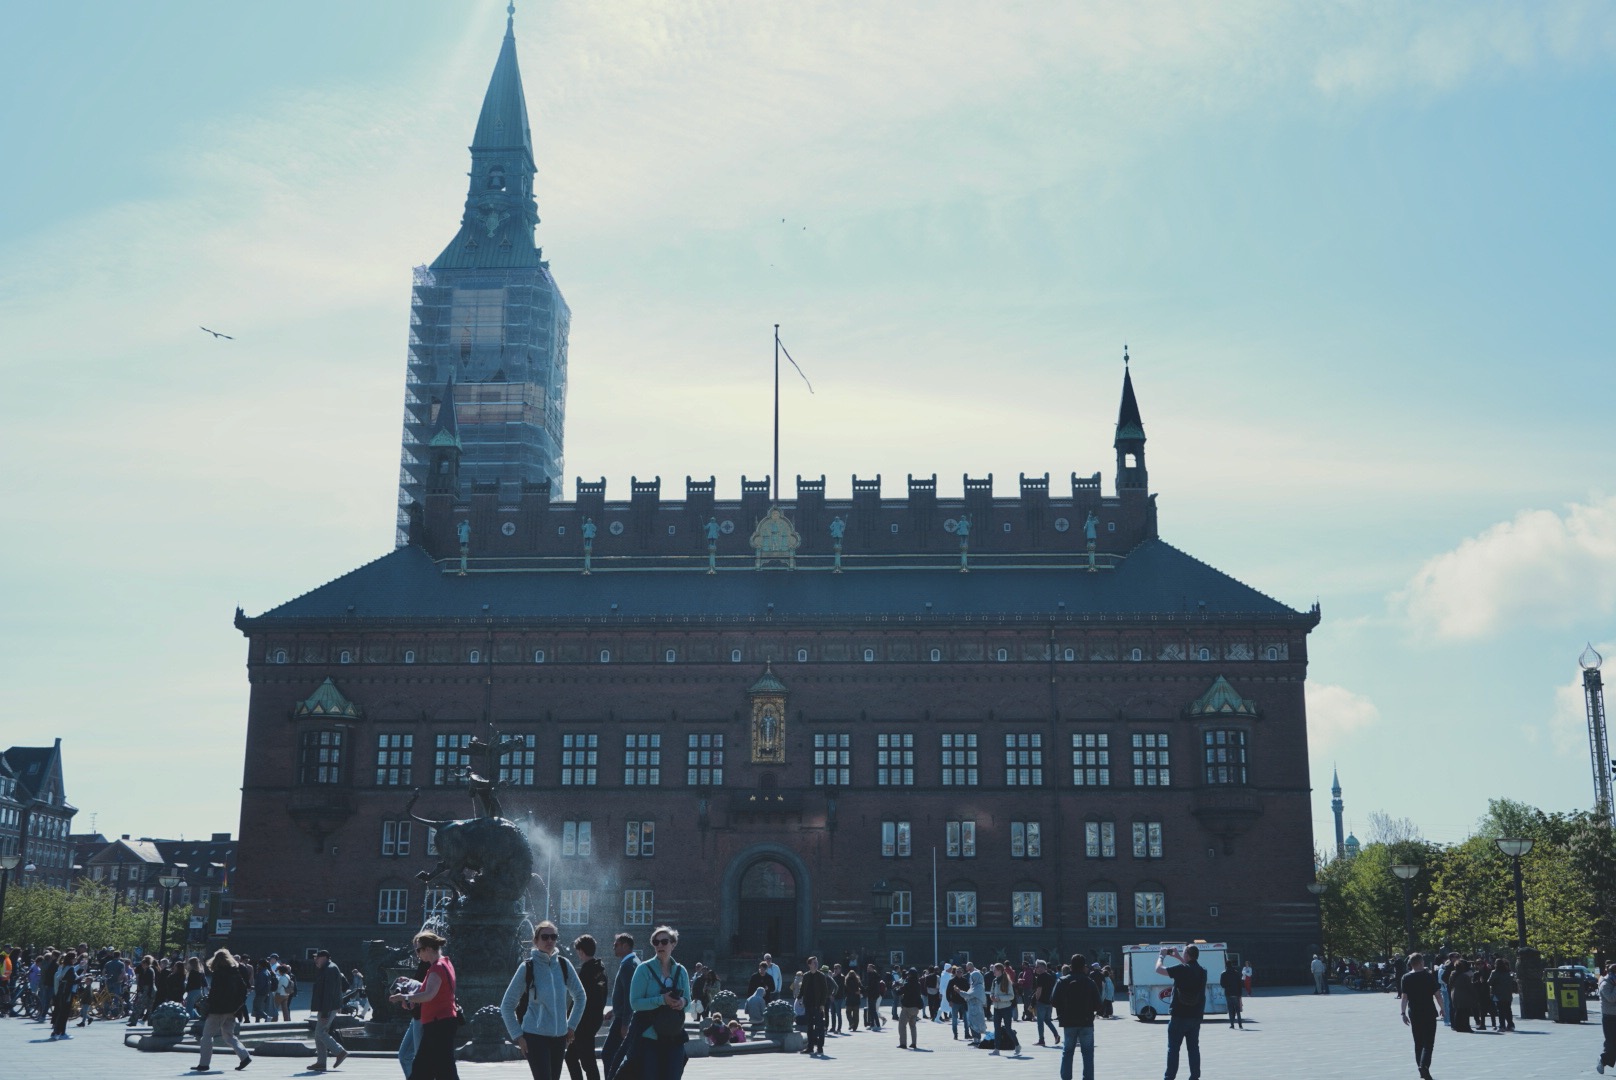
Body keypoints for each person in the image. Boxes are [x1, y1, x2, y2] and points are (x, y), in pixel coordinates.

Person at [500, 921, 586, 1080]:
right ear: (536, 940)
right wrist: (518, 1035)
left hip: (560, 1037)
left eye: (553, 937)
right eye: (545, 937)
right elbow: (507, 1005)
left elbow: (580, 996)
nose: (550, 941)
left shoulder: (563, 965)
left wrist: (571, 1026)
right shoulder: (528, 967)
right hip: (535, 1036)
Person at [622, 925, 689, 1080]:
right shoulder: (643, 969)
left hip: (674, 1036)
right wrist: (661, 1000)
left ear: (673, 944)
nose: (659, 945)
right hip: (650, 1037)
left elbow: (689, 1003)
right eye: (656, 942)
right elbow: (635, 1003)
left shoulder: (681, 971)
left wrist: (682, 1002)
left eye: (664, 941)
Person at [390, 931, 458, 1080]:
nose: (417, 954)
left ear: (428, 948)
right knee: (442, 1069)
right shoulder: (445, 963)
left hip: (438, 1024)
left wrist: (405, 997)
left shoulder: (436, 968)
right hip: (442, 1022)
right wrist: (411, 985)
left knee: (426, 1069)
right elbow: (434, 991)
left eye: (418, 950)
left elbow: (429, 995)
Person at [193, 948, 253, 1073]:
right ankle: (244, 1056)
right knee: (229, 1036)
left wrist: (208, 1005)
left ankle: (204, 1064)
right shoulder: (235, 972)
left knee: (207, 1036)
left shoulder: (218, 974)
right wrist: (237, 1006)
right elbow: (243, 990)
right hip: (231, 1010)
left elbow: (214, 993)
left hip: (217, 1010)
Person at [1156, 945, 1207, 1080]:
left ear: (1188, 955)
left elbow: (1158, 969)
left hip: (1179, 1016)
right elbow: (1190, 969)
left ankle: (1169, 1077)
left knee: (1173, 1050)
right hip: (1195, 1016)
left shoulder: (1182, 970)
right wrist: (1178, 957)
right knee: (1193, 1049)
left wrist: (1162, 956)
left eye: (1184, 953)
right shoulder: (1202, 971)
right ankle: (1195, 1077)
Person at [566, 935, 609, 1080]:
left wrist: (569, 1019)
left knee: (585, 1060)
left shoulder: (586, 972)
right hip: (593, 1020)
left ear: (581, 951)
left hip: (583, 1022)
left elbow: (579, 999)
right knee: (575, 1057)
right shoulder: (601, 971)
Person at [1053, 953, 1100, 1080]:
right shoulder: (1090, 982)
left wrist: (1063, 1009)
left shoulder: (1062, 981)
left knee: (1067, 1052)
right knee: (1088, 1054)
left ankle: (1066, 1077)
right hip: (1086, 1022)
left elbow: (1054, 1001)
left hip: (1068, 1022)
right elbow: (1098, 1004)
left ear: (1071, 965)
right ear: (1084, 966)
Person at [1399, 952, 1443, 1080]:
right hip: (1428, 1011)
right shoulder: (1428, 976)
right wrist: (1443, 1008)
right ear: (1421, 962)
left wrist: (1403, 1013)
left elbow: (1404, 997)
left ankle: (1420, 1068)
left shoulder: (1405, 977)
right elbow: (1437, 994)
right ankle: (1424, 1066)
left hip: (1414, 1012)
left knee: (1418, 1042)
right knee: (1428, 1042)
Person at [601, 934, 639, 1074]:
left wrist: (625, 1023)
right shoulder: (632, 962)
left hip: (623, 1019)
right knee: (617, 1055)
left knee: (608, 1054)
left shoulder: (628, 966)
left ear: (625, 946)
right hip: (622, 1015)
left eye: (616, 945)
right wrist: (614, 1010)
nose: (613, 947)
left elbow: (630, 996)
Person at [309, 949, 349, 1071]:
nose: (315, 960)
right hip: (327, 1006)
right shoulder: (327, 968)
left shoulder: (330, 969)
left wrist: (325, 1012)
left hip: (328, 1007)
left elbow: (329, 993)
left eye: (317, 958)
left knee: (321, 1033)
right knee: (318, 1034)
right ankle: (321, 1062)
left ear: (324, 957)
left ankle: (339, 1052)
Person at [798, 956, 833, 1055]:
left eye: (816, 962)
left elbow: (825, 991)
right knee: (809, 1027)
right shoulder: (806, 976)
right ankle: (810, 1047)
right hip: (808, 1005)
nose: (816, 964)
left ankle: (820, 1047)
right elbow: (803, 989)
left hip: (818, 1005)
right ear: (809, 964)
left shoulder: (821, 976)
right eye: (814, 962)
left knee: (820, 1027)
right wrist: (799, 998)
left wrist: (822, 1004)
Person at [988, 962, 1018, 1055]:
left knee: (1008, 1029)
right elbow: (991, 992)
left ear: (1000, 971)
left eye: (995, 971)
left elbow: (1011, 996)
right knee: (997, 1029)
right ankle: (996, 1049)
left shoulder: (1007, 981)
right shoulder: (994, 981)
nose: (994, 972)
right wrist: (991, 997)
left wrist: (1000, 998)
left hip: (1006, 1008)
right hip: (996, 1008)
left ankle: (1017, 1045)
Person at [1032, 959, 1060, 1046]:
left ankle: (1041, 1040)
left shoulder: (1040, 977)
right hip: (1049, 1002)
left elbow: (1039, 990)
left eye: (1037, 967)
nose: (1035, 968)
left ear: (1042, 968)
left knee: (1040, 1022)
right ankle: (1056, 1035)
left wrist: (1036, 999)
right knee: (1047, 1020)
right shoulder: (1050, 976)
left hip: (1042, 1002)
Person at [896, 965, 923, 1050]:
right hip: (916, 1008)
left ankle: (903, 1044)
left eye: (908, 974)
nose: (907, 975)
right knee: (913, 1026)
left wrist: (896, 987)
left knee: (902, 1025)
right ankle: (914, 1043)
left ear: (910, 975)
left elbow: (899, 992)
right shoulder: (918, 984)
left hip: (907, 1007)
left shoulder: (908, 984)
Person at [1597, 962, 1616, 1075]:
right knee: (1611, 1043)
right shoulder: (1605, 984)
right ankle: (1603, 1059)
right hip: (1610, 1017)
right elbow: (1611, 998)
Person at [1487, 957, 1515, 1032]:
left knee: (1500, 1010)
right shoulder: (1509, 972)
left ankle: (1502, 1026)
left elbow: (1489, 982)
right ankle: (1511, 1025)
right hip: (1508, 994)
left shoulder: (1494, 972)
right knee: (1508, 1009)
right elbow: (1512, 979)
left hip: (1497, 994)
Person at [1219, 959, 1244, 1030]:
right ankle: (1240, 1024)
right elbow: (1240, 984)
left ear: (1226, 965)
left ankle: (1232, 1024)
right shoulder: (1236, 973)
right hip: (1236, 993)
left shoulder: (1223, 973)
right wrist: (1240, 993)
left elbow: (1222, 984)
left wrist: (1227, 987)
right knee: (1238, 1010)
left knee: (1230, 1009)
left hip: (1228, 993)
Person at [843, 965, 863, 1031]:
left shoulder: (846, 981)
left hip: (849, 999)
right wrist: (859, 992)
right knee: (856, 1014)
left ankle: (851, 1022)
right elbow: (862, 988)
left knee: (848, 1013)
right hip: (856, 999)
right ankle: (855, 1027)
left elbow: (845, 991)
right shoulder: (857, 981)